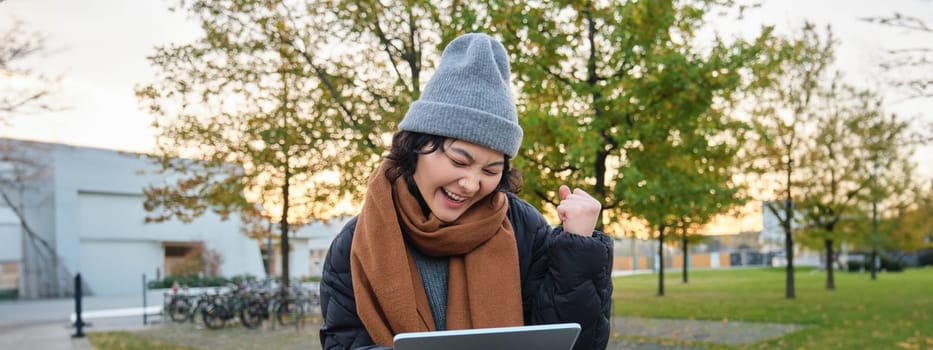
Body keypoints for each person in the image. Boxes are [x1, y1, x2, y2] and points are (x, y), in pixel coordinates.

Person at [319, 33, 613, 350]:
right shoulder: (355, 243)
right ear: (417, 146)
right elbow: (343, 342)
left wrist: (578, 248)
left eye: (490, 170)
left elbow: (576, 343)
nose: (472, 185)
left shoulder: (523, 227)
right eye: (460, 160)